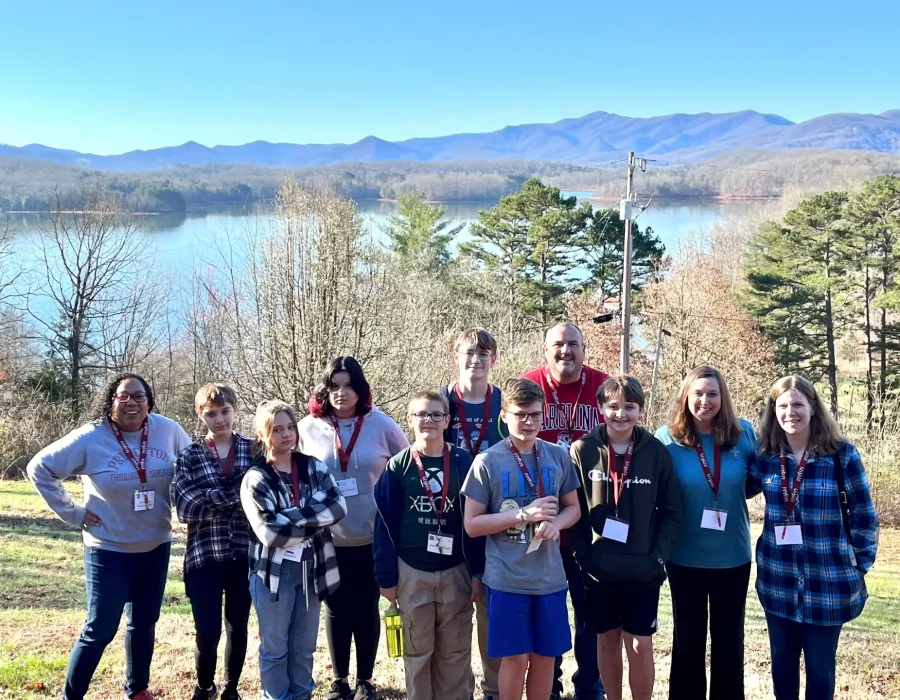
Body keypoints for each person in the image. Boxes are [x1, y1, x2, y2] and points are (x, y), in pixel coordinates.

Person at [26, 373, 192, 700]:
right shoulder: (92, 436)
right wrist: (72, 513)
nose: (131, 402)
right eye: (123, 396)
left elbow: (192, 466)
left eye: (139, 396)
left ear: (149, 401)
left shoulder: (168, 430)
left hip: (155, 545)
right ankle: (71, 696)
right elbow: (40, 468)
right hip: (108, 550)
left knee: (144, 622)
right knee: (100, 628)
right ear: (110, 400)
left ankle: (137, 689)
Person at [749, 375, 878, 700]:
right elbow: (736, 487)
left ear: (813, 408)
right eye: (782, 406)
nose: (790, 412)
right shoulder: (765, 456)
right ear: (773, 411)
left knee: (820, 672)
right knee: (782, 669)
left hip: (827, 585)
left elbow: (864, 514)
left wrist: (859, 564)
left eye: (797, 404)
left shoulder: (841, 455)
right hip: (778, 582)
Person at [462, 378, 582, 700]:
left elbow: (574, 508)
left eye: (535, 415)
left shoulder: (557, 456)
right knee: (515, 659)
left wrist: (557, 524)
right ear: (504, 415)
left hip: (549, 579)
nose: (529, 422)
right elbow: (472, 525)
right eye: (520, 414)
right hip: (507, 579)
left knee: (545, 658)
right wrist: (522, 515)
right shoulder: (488, 461)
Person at [297, 356, 409, 700]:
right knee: (335, 607)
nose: (341, 393)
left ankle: (365, 681)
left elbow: (409, 466)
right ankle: (340, 680)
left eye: (349, 386)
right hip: (327, 537)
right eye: (334, 386)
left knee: (366, 606)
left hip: (373, 536)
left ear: (360, 390)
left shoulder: (382, 424)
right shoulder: (307, 428)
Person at [568, 375, 682, 700]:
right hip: (598, 570)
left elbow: (672, 510)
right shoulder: (583, 450)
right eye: (613, 406)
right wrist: (584, 557)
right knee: (607, 640)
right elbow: (572, 509)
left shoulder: (655, 451)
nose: (621, 414)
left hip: (643, 569)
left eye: (629, 407)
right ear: (600, 408)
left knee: (640, 644)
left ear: (640, 410)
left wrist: (657, 557)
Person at [655, 366, 759, 700]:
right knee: (688, 642)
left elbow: (757, 481)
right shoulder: (666, 439)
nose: (705, 401)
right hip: (684, 557)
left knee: (729, 642)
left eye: (712, 394)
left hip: (733, 557)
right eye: (697, 393)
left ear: (722, 398)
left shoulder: (744, 434)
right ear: (686, 396)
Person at [374, 390, 484, 700]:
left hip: (456, 571)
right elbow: (384, 527)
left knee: (455, 652)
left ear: (447, 421)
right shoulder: (397, 466)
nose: (429, 420)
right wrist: (386, 578)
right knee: (417, 652)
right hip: (412, 571)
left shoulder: (465, 462)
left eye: (436, 414)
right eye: (421, 414)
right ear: (409, 420)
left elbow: (476, 523)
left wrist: (478, 572)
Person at [240, 400, 347, 700]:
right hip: (273, 575)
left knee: (304, 647)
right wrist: (314, 517)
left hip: (311, 569)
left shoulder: (313, 466)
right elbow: (270, 533)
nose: (286, 434)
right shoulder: (256, 477)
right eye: (277, 430)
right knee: (275, 649)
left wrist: (288, 516)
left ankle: (302, 696)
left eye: (290, 427)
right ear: (263, 435)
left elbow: (339, 507)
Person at [522, 322, 607, 700]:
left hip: (592, 521)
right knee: (547, 609)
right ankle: (548, 684)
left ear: (584, 348)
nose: (565, 351)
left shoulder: (604, 387)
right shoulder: (528, 385)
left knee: (590, 610)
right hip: (541, 519)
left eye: (573, 344)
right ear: (546, 350)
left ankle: (590, 684)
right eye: (558, 344)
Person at [175, 383, 255, 700]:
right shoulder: (189, 455)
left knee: (238, 625)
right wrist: (237, 497)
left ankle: (231, 689)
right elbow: (185, 508)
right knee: (207, 631)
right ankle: (205, 686)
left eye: (225, 411)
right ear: (200, 415)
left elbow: (260, 499)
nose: (219, 419)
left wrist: (209, 497)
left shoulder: (255, 449)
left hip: (244, 553)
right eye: (211, 414)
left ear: (235, 410)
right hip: (203, 556)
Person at [441, 328, 503, 700]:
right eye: (469, 352)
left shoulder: (504, 404)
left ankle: (493, 688)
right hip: (447, 517)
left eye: (483, 353)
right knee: (454, 613)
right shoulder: (441, 401)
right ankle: (457, 689)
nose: (475, 360)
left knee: (491, 613)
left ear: (493, 359)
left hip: (494, 521)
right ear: (456, 356)